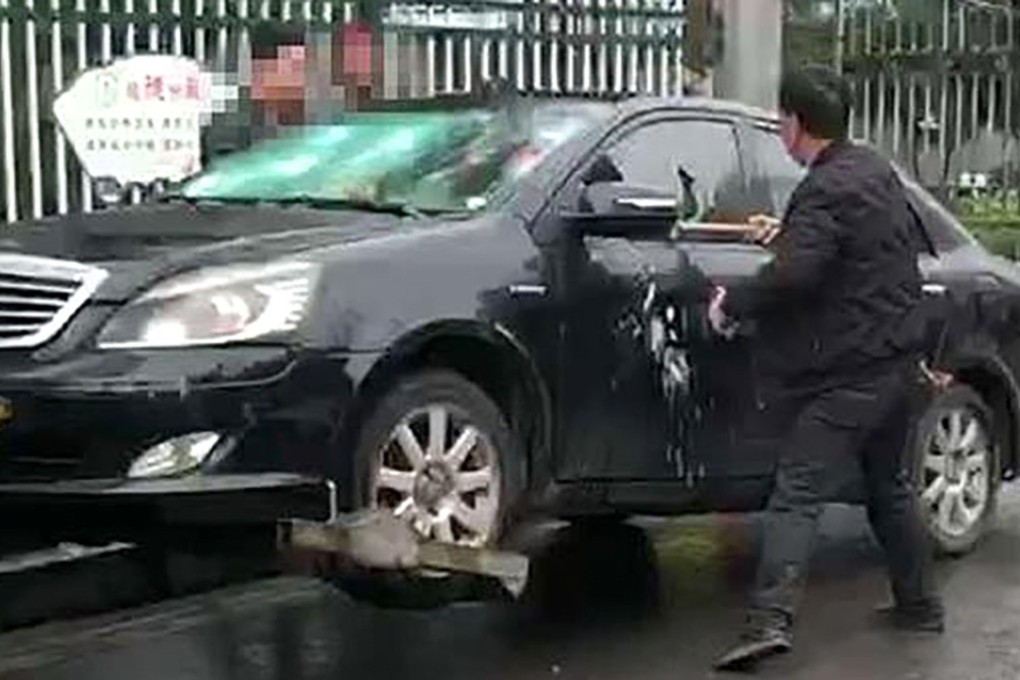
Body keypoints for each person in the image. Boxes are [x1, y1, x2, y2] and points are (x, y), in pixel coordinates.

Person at [709, 66, 945, 672]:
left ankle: (768, 622)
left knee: (797, 493)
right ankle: (920, 605)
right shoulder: (871, 171)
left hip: (853, 373)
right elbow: (852, 251)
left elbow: (796, 276)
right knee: (889, 489)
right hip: (898, 364)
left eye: (780, 121)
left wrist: (730, 303)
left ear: (793, 124)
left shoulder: (823, 188)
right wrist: (788, 234)